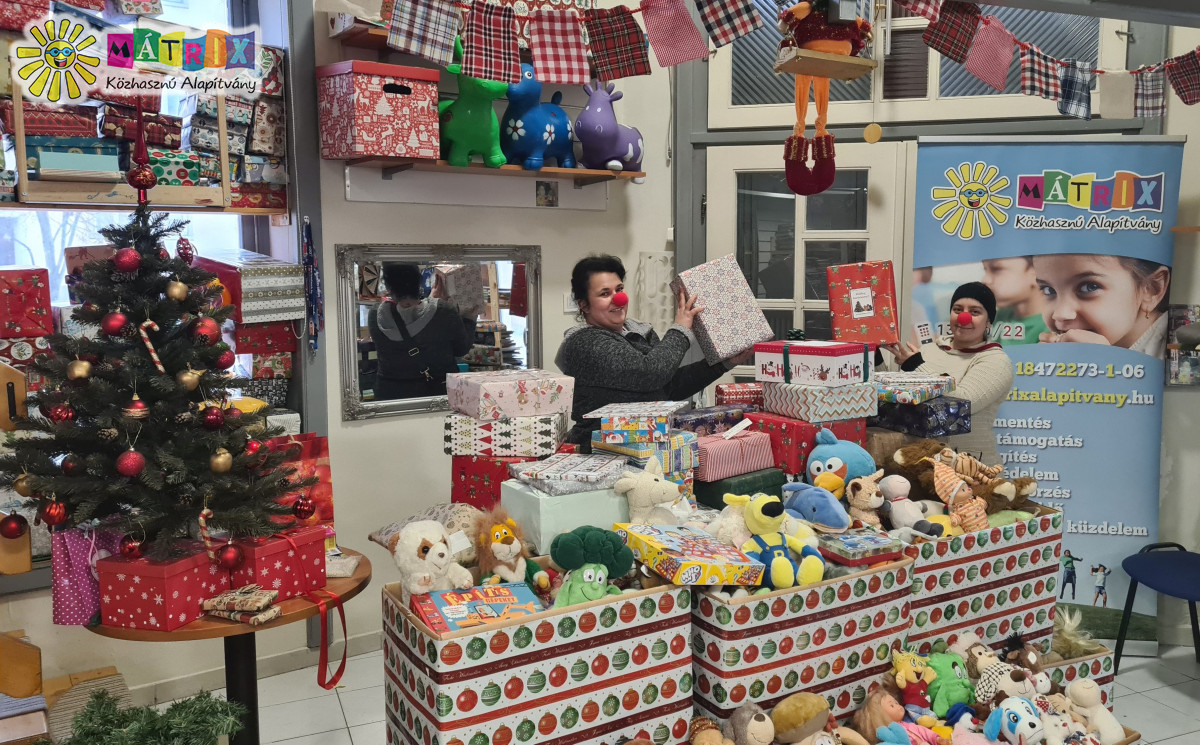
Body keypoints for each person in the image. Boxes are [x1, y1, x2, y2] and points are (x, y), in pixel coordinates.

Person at [555, 255, 753, 446]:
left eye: (620, 289)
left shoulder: (641, 332)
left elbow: (668, 387)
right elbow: (650, 373)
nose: (619, 299)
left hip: (645, 445)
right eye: (605, 294)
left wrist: (724, 363)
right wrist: (680, 330)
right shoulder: (584, 342)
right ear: (584, 305)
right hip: (601, 450)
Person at [885, 282, 1013, 464]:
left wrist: (916, 366)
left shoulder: (996, 360)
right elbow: (899, 396)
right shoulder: (928, 350)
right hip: (921, 462)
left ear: (988, 322)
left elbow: (964, 402)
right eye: (957, 310)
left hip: (969, 468)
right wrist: (874, 357)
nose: (964, 317)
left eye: (975, 312)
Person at [368, 263, 471, 400]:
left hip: (390, 397)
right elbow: (461, 349)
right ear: (419, 280)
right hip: (436, 395)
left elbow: (407, 315)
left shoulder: (375, 314)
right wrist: (470, 316)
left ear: (387, 284)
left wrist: (432, 301)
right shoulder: (444, 311)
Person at [1033, 254, 1170, 357]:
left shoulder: (1174, 349)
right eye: (1048, 290)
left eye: (1089, 287)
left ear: (1151, 289)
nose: (1060, 314)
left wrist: (1105, 368)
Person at [982, 256, 1048, 346]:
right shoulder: (997, 316)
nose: (985, 280)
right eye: (985, 270)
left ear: (1036, 273)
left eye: (997, 269)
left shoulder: (1053, 330)